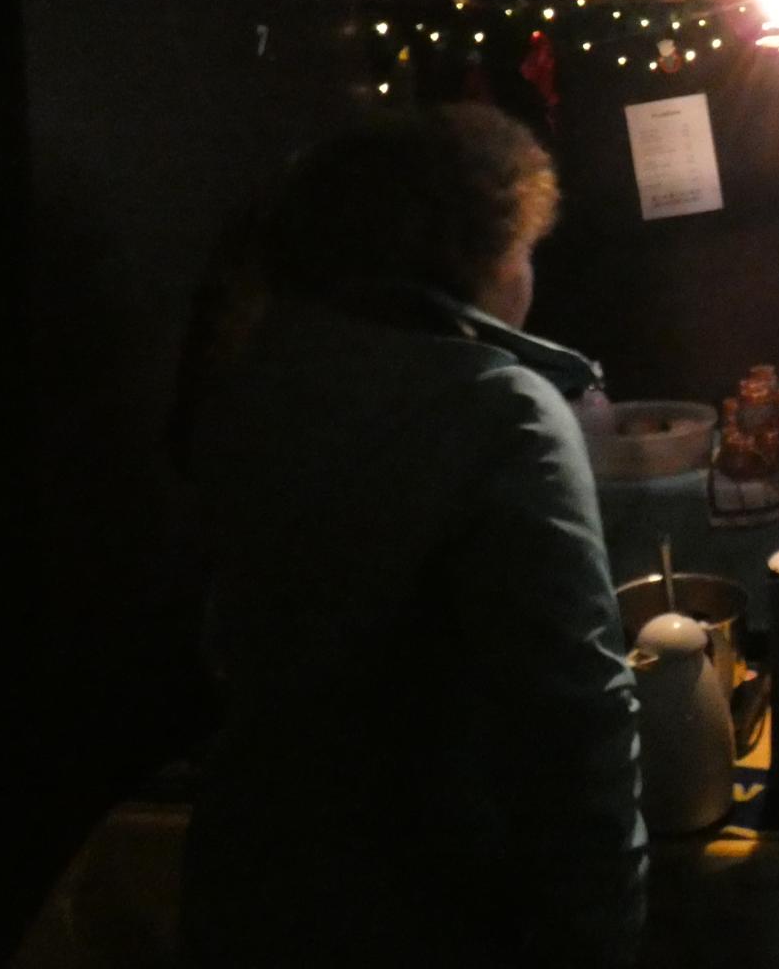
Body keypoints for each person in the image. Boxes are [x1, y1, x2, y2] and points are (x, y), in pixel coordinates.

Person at [179, 105, 646, 969]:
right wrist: (599, 934)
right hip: (433, 896)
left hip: (250, 872)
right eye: (525, 249)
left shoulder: (251, 373)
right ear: (483, 256)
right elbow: (576, 714)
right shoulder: (502, 410)